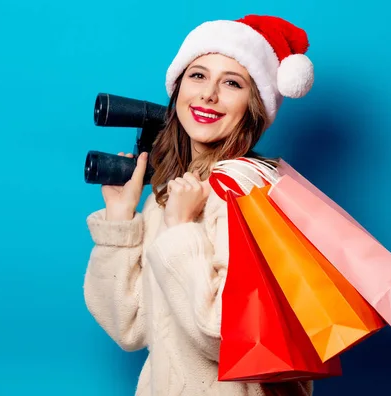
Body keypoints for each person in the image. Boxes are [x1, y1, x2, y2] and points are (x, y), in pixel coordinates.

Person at [83, 14, 315, 396]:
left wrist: (181, 231)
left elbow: (226, 340)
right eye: (198, 76)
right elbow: (132, 326)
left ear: (254, 106)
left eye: (232, 83)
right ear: (177, 91)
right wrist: (120, 222)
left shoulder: (254, 195)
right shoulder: (175, 197)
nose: (209, 94)